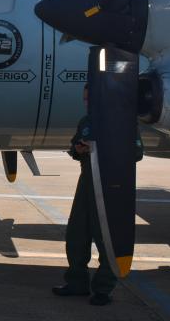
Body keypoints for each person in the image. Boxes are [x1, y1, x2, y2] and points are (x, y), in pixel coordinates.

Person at [52, 83, 143, 306]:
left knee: (106, 238)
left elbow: (137, 153)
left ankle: (103, 289)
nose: (86, 104)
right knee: (76, 235)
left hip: (111, 185)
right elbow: (75, 147)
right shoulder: (86, 122)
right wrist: (78, 150)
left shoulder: (124, 121)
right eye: (85, 100)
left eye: (89, 100)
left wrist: (103, 149)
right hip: (87, 182)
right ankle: (76, 283)